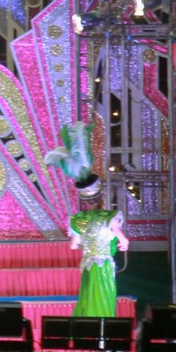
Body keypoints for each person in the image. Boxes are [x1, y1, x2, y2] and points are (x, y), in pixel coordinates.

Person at [50, 122, 126, 318]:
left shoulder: (79, 220)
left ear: (84, 201)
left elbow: (73, 246)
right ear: (101, 197)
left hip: (88, 265)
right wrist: (122, 243)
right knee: (104, 297)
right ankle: (103, 328)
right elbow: (122, 239)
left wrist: (87, 241)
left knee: (87, 297)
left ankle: (86, 326)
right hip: (104, 265)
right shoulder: (109, 217)